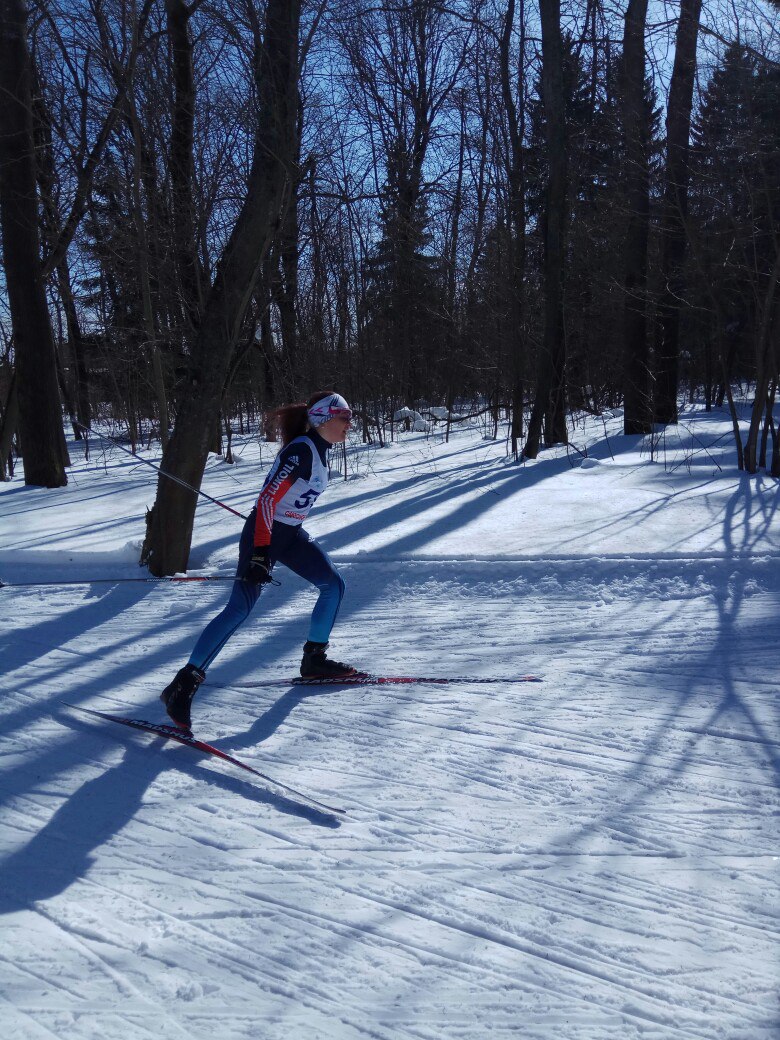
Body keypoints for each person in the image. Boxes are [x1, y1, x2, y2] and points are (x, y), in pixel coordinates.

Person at [160, 391, 358, 733]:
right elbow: (267, 501)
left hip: (289, 534)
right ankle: (183, 684)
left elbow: (285, 502)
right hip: (263, 536)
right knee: (239, 609)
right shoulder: (301, 451)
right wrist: (260, 552)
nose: (349, 425)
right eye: (344, 417)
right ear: (324, 418)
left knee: (333, 584)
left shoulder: (320, 451)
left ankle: (314, 659)